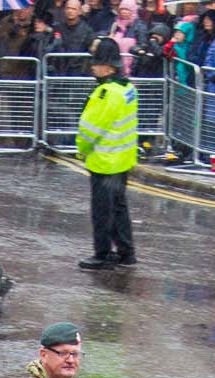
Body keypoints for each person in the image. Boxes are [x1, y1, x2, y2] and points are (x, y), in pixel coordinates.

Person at [76, 36, 137, 270]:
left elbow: (90, 130)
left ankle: (102, 254)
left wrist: (81, 150)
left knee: (102, 211)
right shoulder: (128, 88)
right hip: (122, 159)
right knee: (119, 208)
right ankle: (126, 252)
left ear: (109, 66)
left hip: (104, 160)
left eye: (97, 62)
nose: (93, 66)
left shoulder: (105, 93)